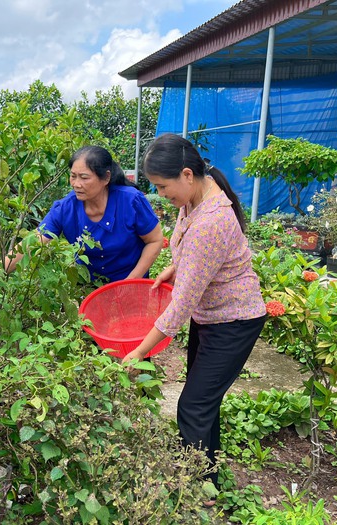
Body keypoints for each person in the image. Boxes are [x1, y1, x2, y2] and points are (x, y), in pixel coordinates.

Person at [122, 134, 267, 495]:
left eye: (162, 186)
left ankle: (199, 491)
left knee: (193, 406)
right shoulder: (198, 192)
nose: (161, 195)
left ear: (187, 174)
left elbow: (182, 305)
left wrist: (139, 352)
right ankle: (206, 474)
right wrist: (177, 266)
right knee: (203, 402)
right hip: (211, 315)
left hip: (234, 321)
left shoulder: (211, 222)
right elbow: (189, 248)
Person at [4, 145, 164, 282]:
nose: (76, 184)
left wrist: (130, 282)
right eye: (73, 176)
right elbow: (32, 243)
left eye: (84, 177)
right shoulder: (65, 209)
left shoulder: (130, 201)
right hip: (90, 289)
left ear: (106, 177)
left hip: (131, 283)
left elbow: (154, 241)